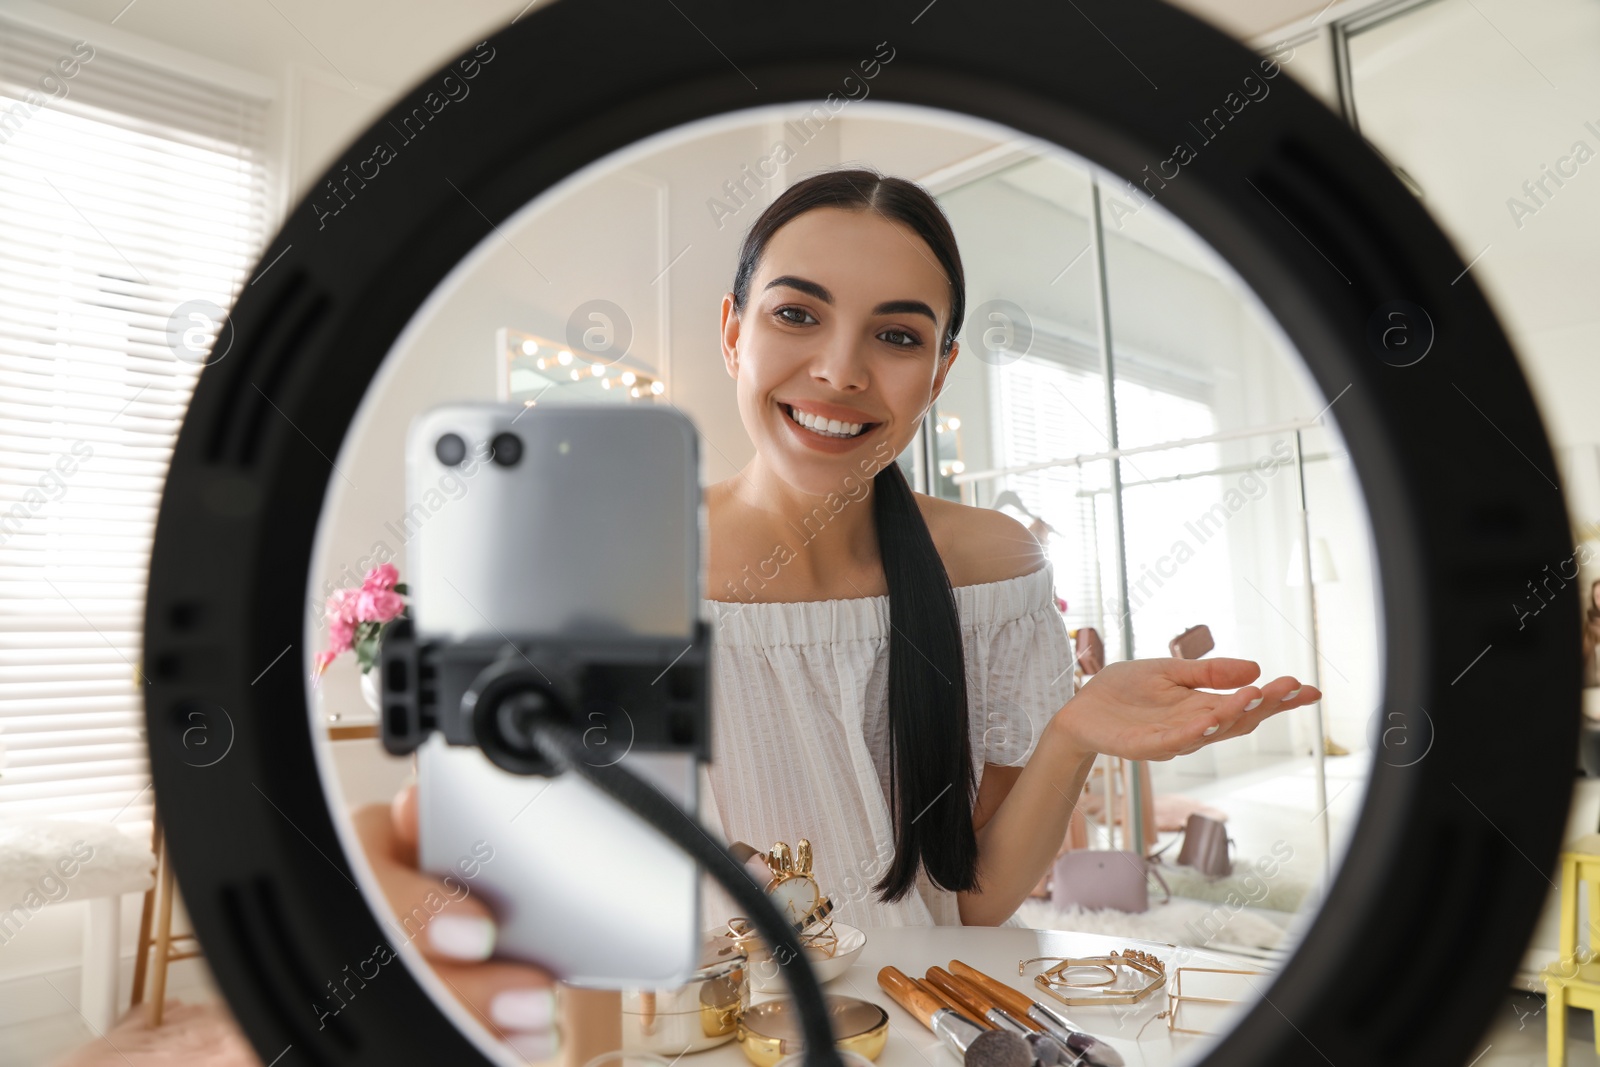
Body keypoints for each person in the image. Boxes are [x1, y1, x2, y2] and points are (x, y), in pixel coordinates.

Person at [351, 166, 1320, 1054]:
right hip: (695, 1036)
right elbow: (553, 926)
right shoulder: (600, 563)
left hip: (919, 1025)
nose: (840, 371)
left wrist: (1070, 732)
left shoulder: (988, 563)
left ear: (939, 371)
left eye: (897, 335)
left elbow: (972, 904)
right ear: (733, 330)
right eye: (796, 315)